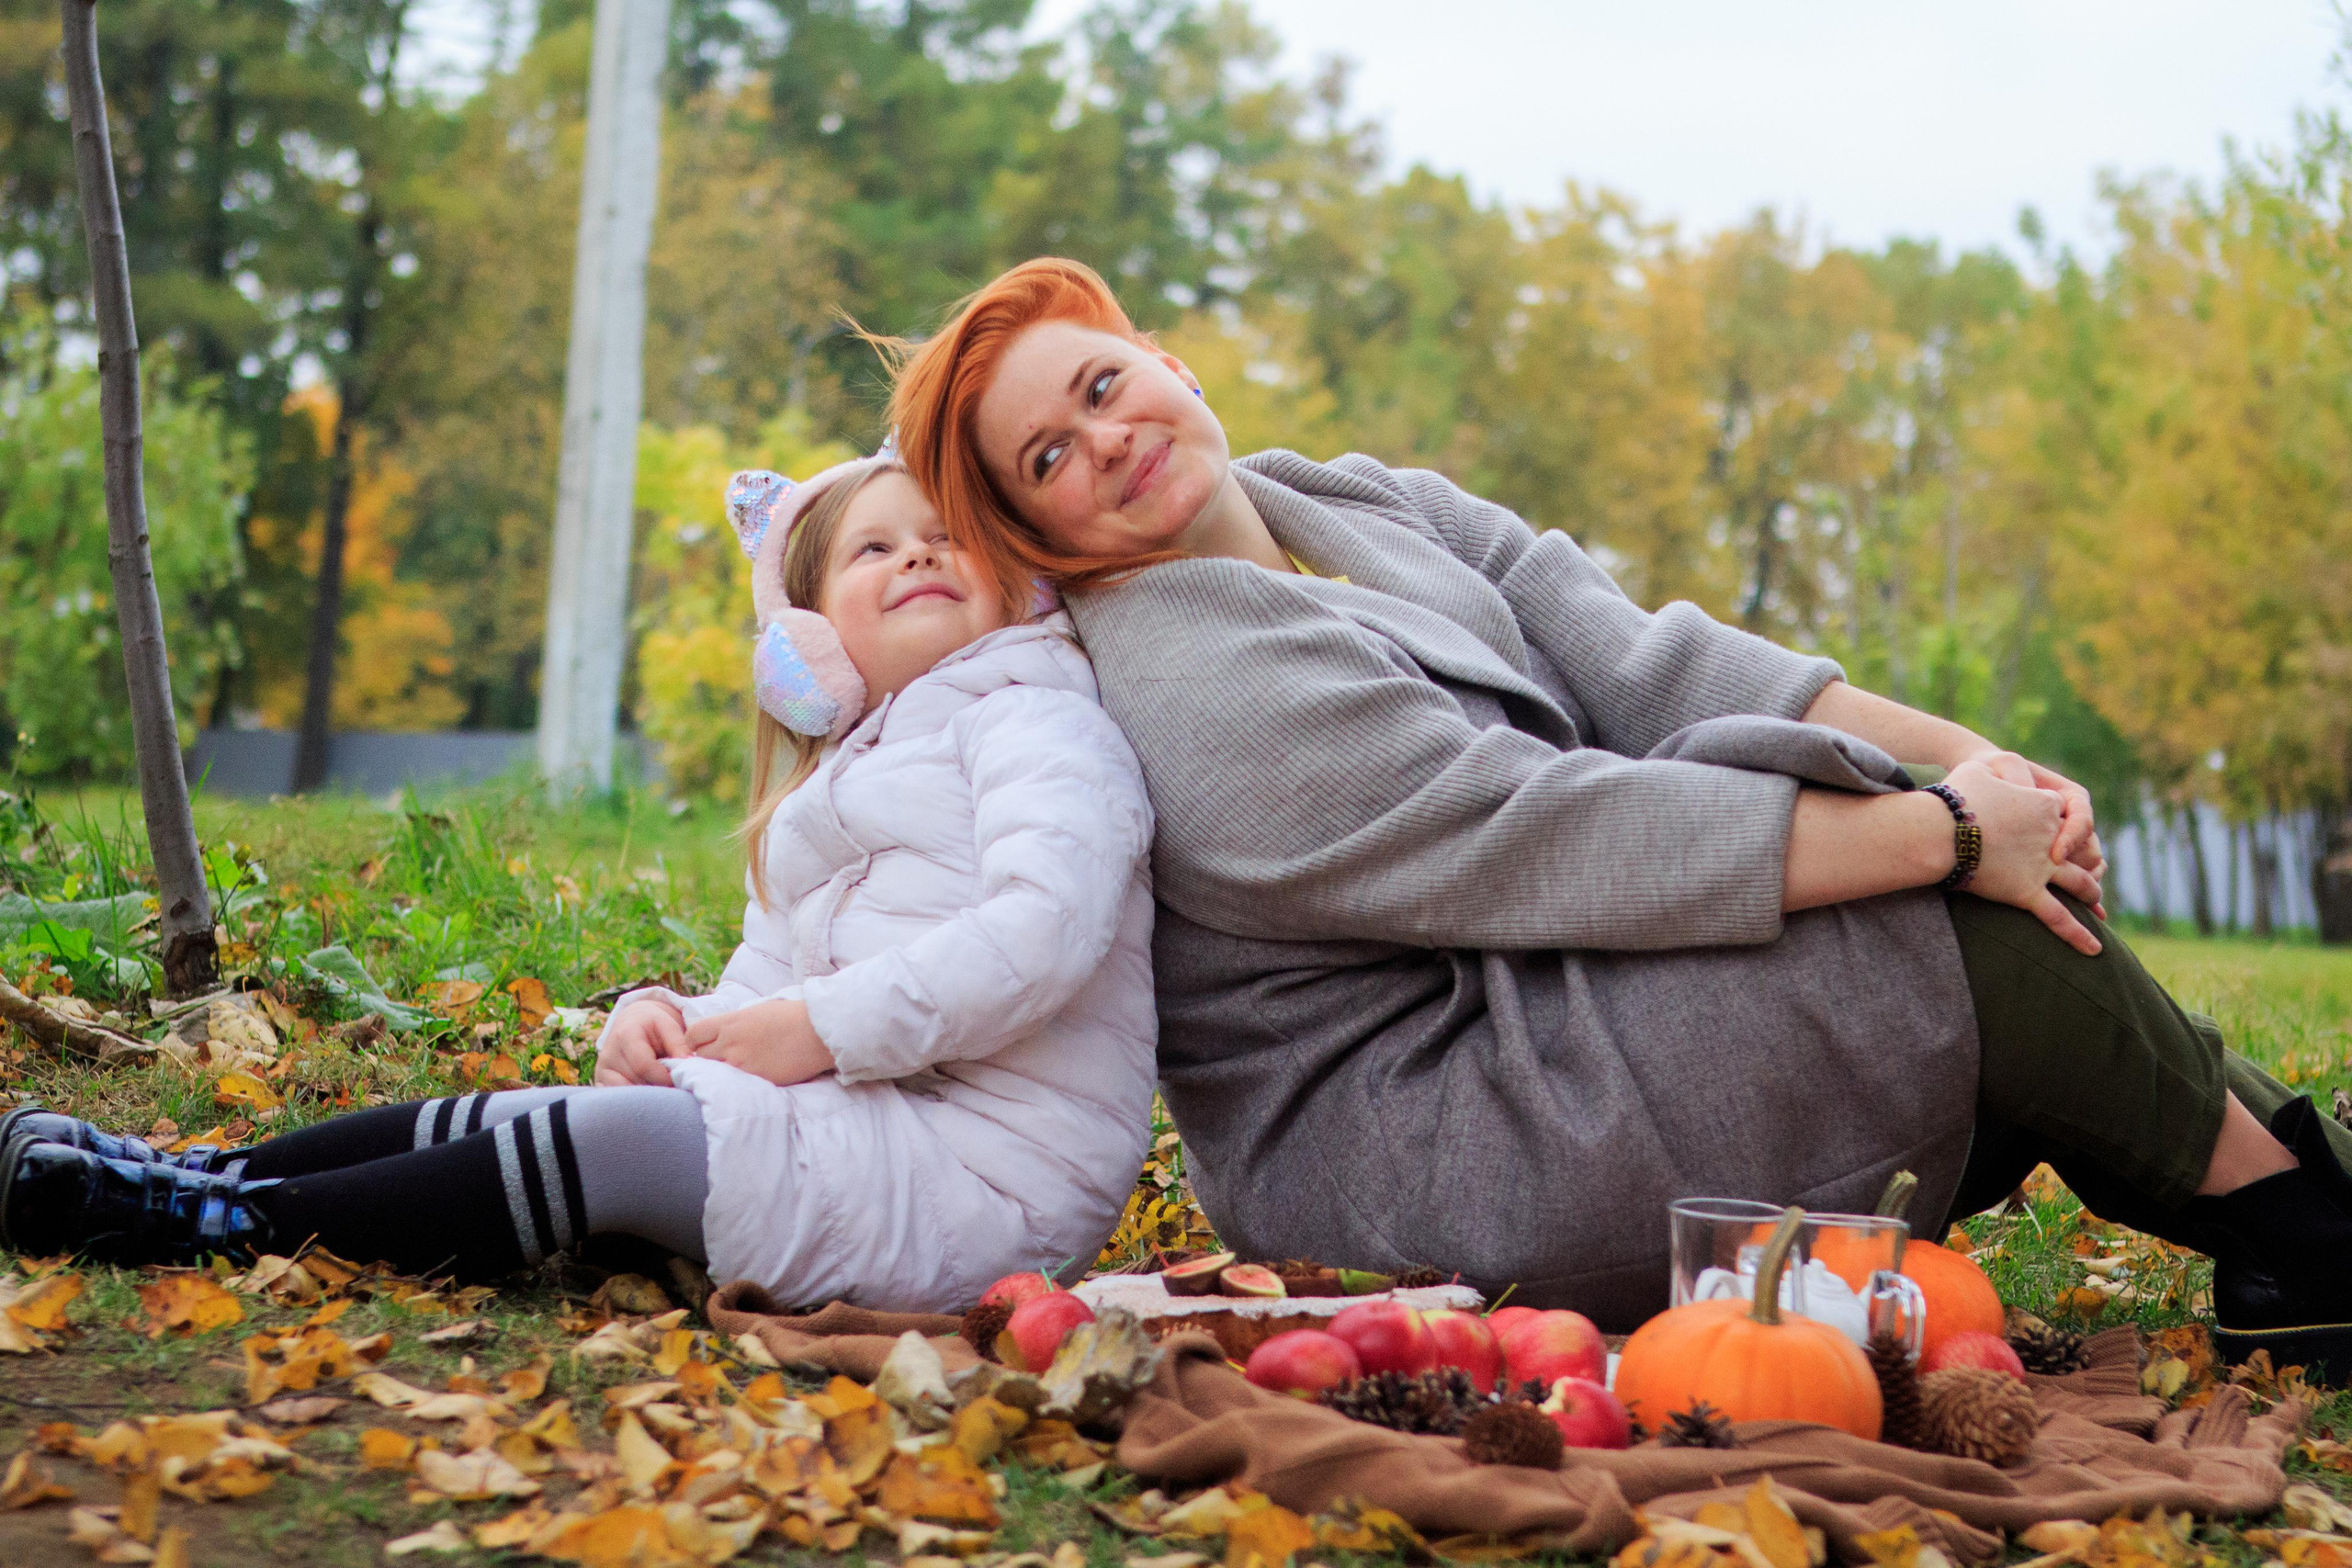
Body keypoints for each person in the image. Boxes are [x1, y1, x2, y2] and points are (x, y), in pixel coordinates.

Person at [878, 255, 2352, 1372]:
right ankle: (2302, 1227)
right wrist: (1950, 834)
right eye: (1049, 462)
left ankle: (2286, 1201)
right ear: (1044, 537)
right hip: (1441, 1137)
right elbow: (1542, 831)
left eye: (1097, 384)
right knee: (1941, 917)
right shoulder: (1187, 676)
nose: (1106, 439)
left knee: (1926, 839)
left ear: (1167, 359)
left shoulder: (1341, 501)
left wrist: (1984, 765)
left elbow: (1650, 658)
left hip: (1562, 998)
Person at [0, 455, 1158, 1314]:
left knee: (621, 1149)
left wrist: (812, 1030)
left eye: (948, 536)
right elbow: (771, 977)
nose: (915, 555)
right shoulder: (840, 780)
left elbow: (1042, 931)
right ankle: (209, 1172)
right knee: (561, 1111)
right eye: (874, 548)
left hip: (990, 1181)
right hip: (871, 1115)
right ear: (810, 638)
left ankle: (217, 1228)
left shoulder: (1038, 723)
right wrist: (687, 1025)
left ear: (1021, 583)